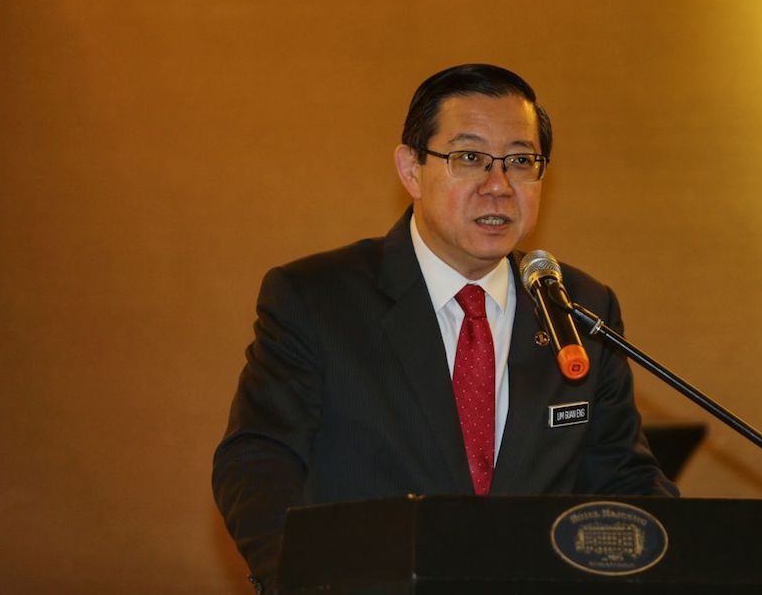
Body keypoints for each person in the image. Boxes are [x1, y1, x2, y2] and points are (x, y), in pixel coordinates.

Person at [212, 63, 678, 592]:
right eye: (469, 158)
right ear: (411, 169)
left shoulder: (576, 306)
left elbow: (623, 481)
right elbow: (257, 461)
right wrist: (305, 580)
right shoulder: (317, 299)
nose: (499, 186)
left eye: (521, 161)